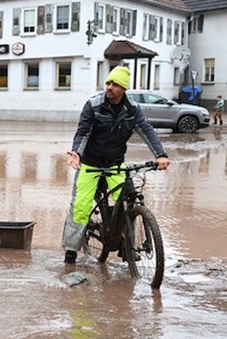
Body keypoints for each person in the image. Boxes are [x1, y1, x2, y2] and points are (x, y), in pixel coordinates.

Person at [62, 66, 170, 264]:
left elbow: (147, 131)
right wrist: (76, 152)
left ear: (124, 89)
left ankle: (124, 244)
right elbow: (83, 132)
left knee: (126, 200)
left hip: (115, 163)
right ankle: (71, 250)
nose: (109, 87)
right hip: (90, 162)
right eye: (108, 83)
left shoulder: (132, 110)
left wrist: (160, 155)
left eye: (115, 84)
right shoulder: (93, 105)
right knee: (80, 206)